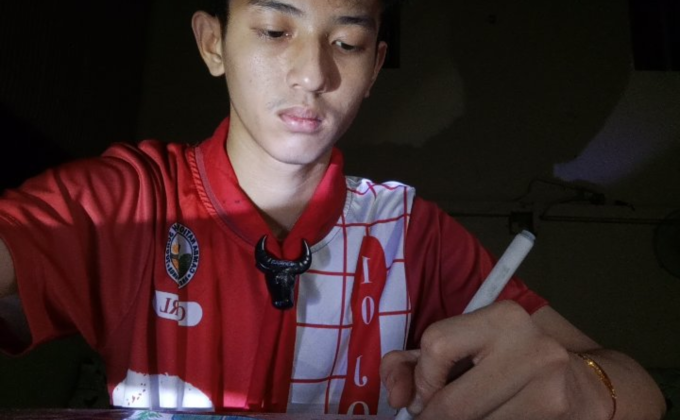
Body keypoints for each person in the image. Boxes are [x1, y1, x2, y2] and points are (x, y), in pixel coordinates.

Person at [0, 0, 666, 418]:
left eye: (345, 43)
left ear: (374, 68)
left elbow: (643, 393)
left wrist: (585, 391)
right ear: (212, 42)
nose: (313, 74)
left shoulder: (411, 232)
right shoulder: (130, 200)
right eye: (274, 30)